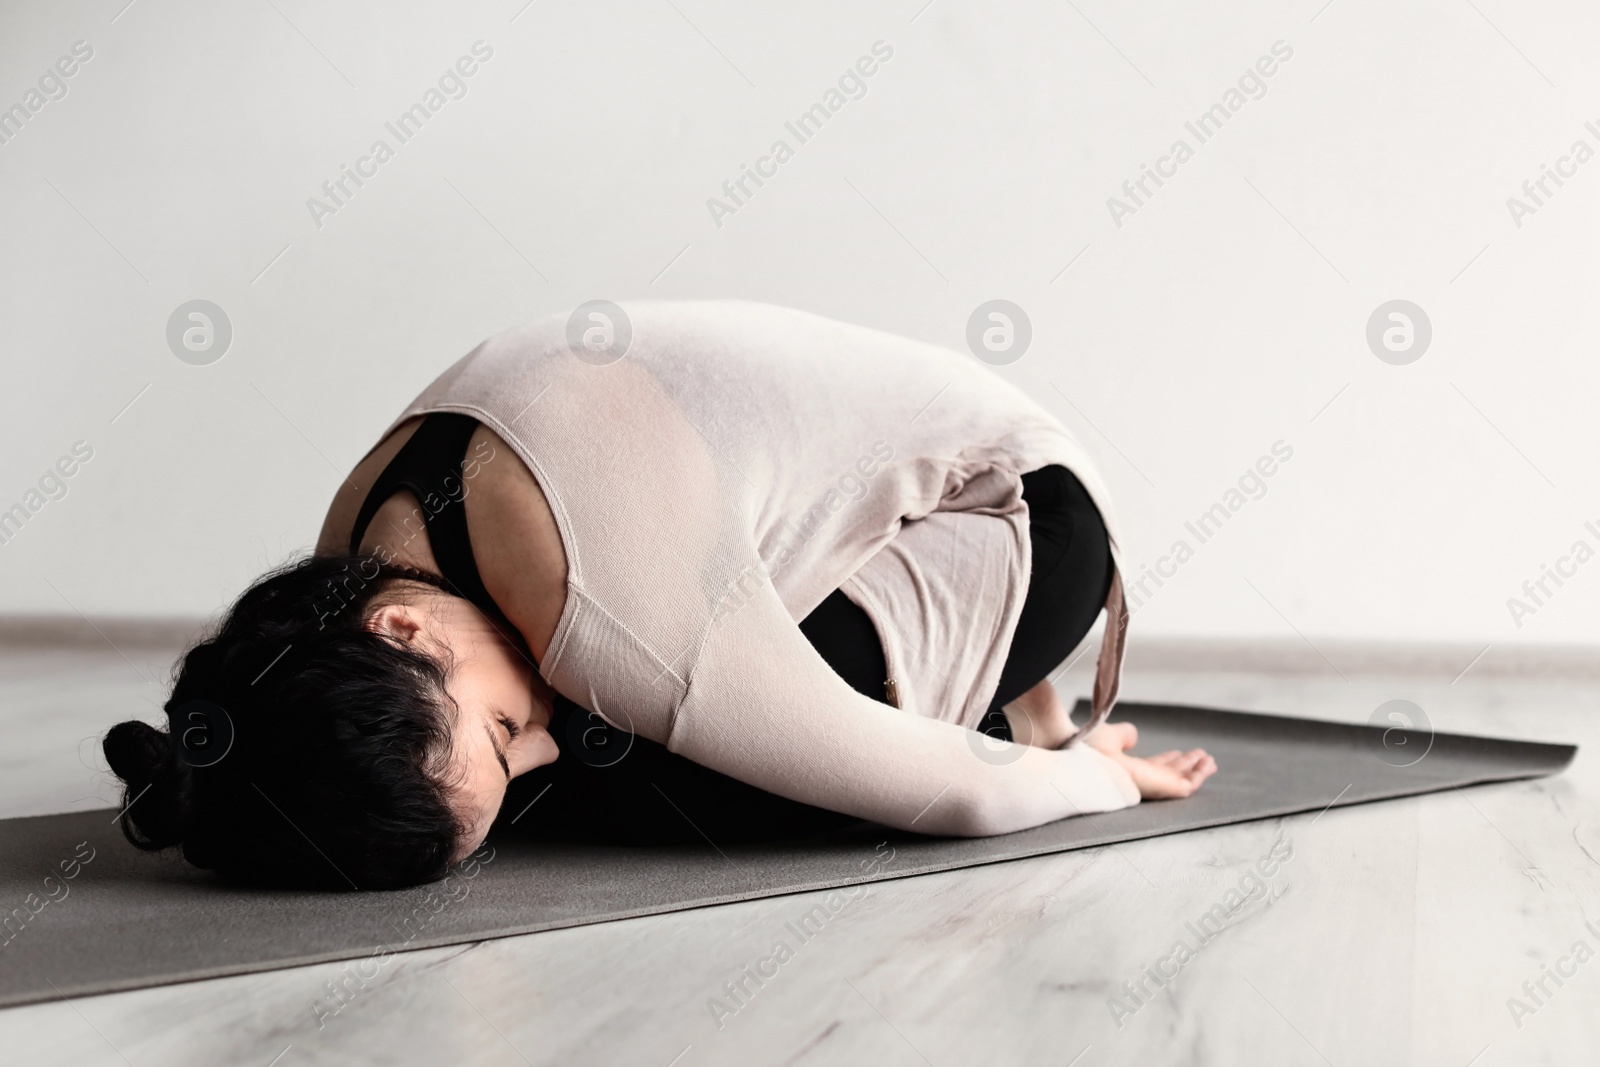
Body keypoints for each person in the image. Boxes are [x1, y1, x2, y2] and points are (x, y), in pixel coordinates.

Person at [102, 301, 1215, 890]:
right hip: (803, 533)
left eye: (501, 729)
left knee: (662, 787)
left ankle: (997, 697)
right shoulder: (348, 578)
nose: (527, 741)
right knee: (570, 762)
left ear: (404, 630)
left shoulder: (611, 607)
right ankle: (964, 692)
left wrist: (1086, 774)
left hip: (1017, 513)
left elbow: (952, 798)